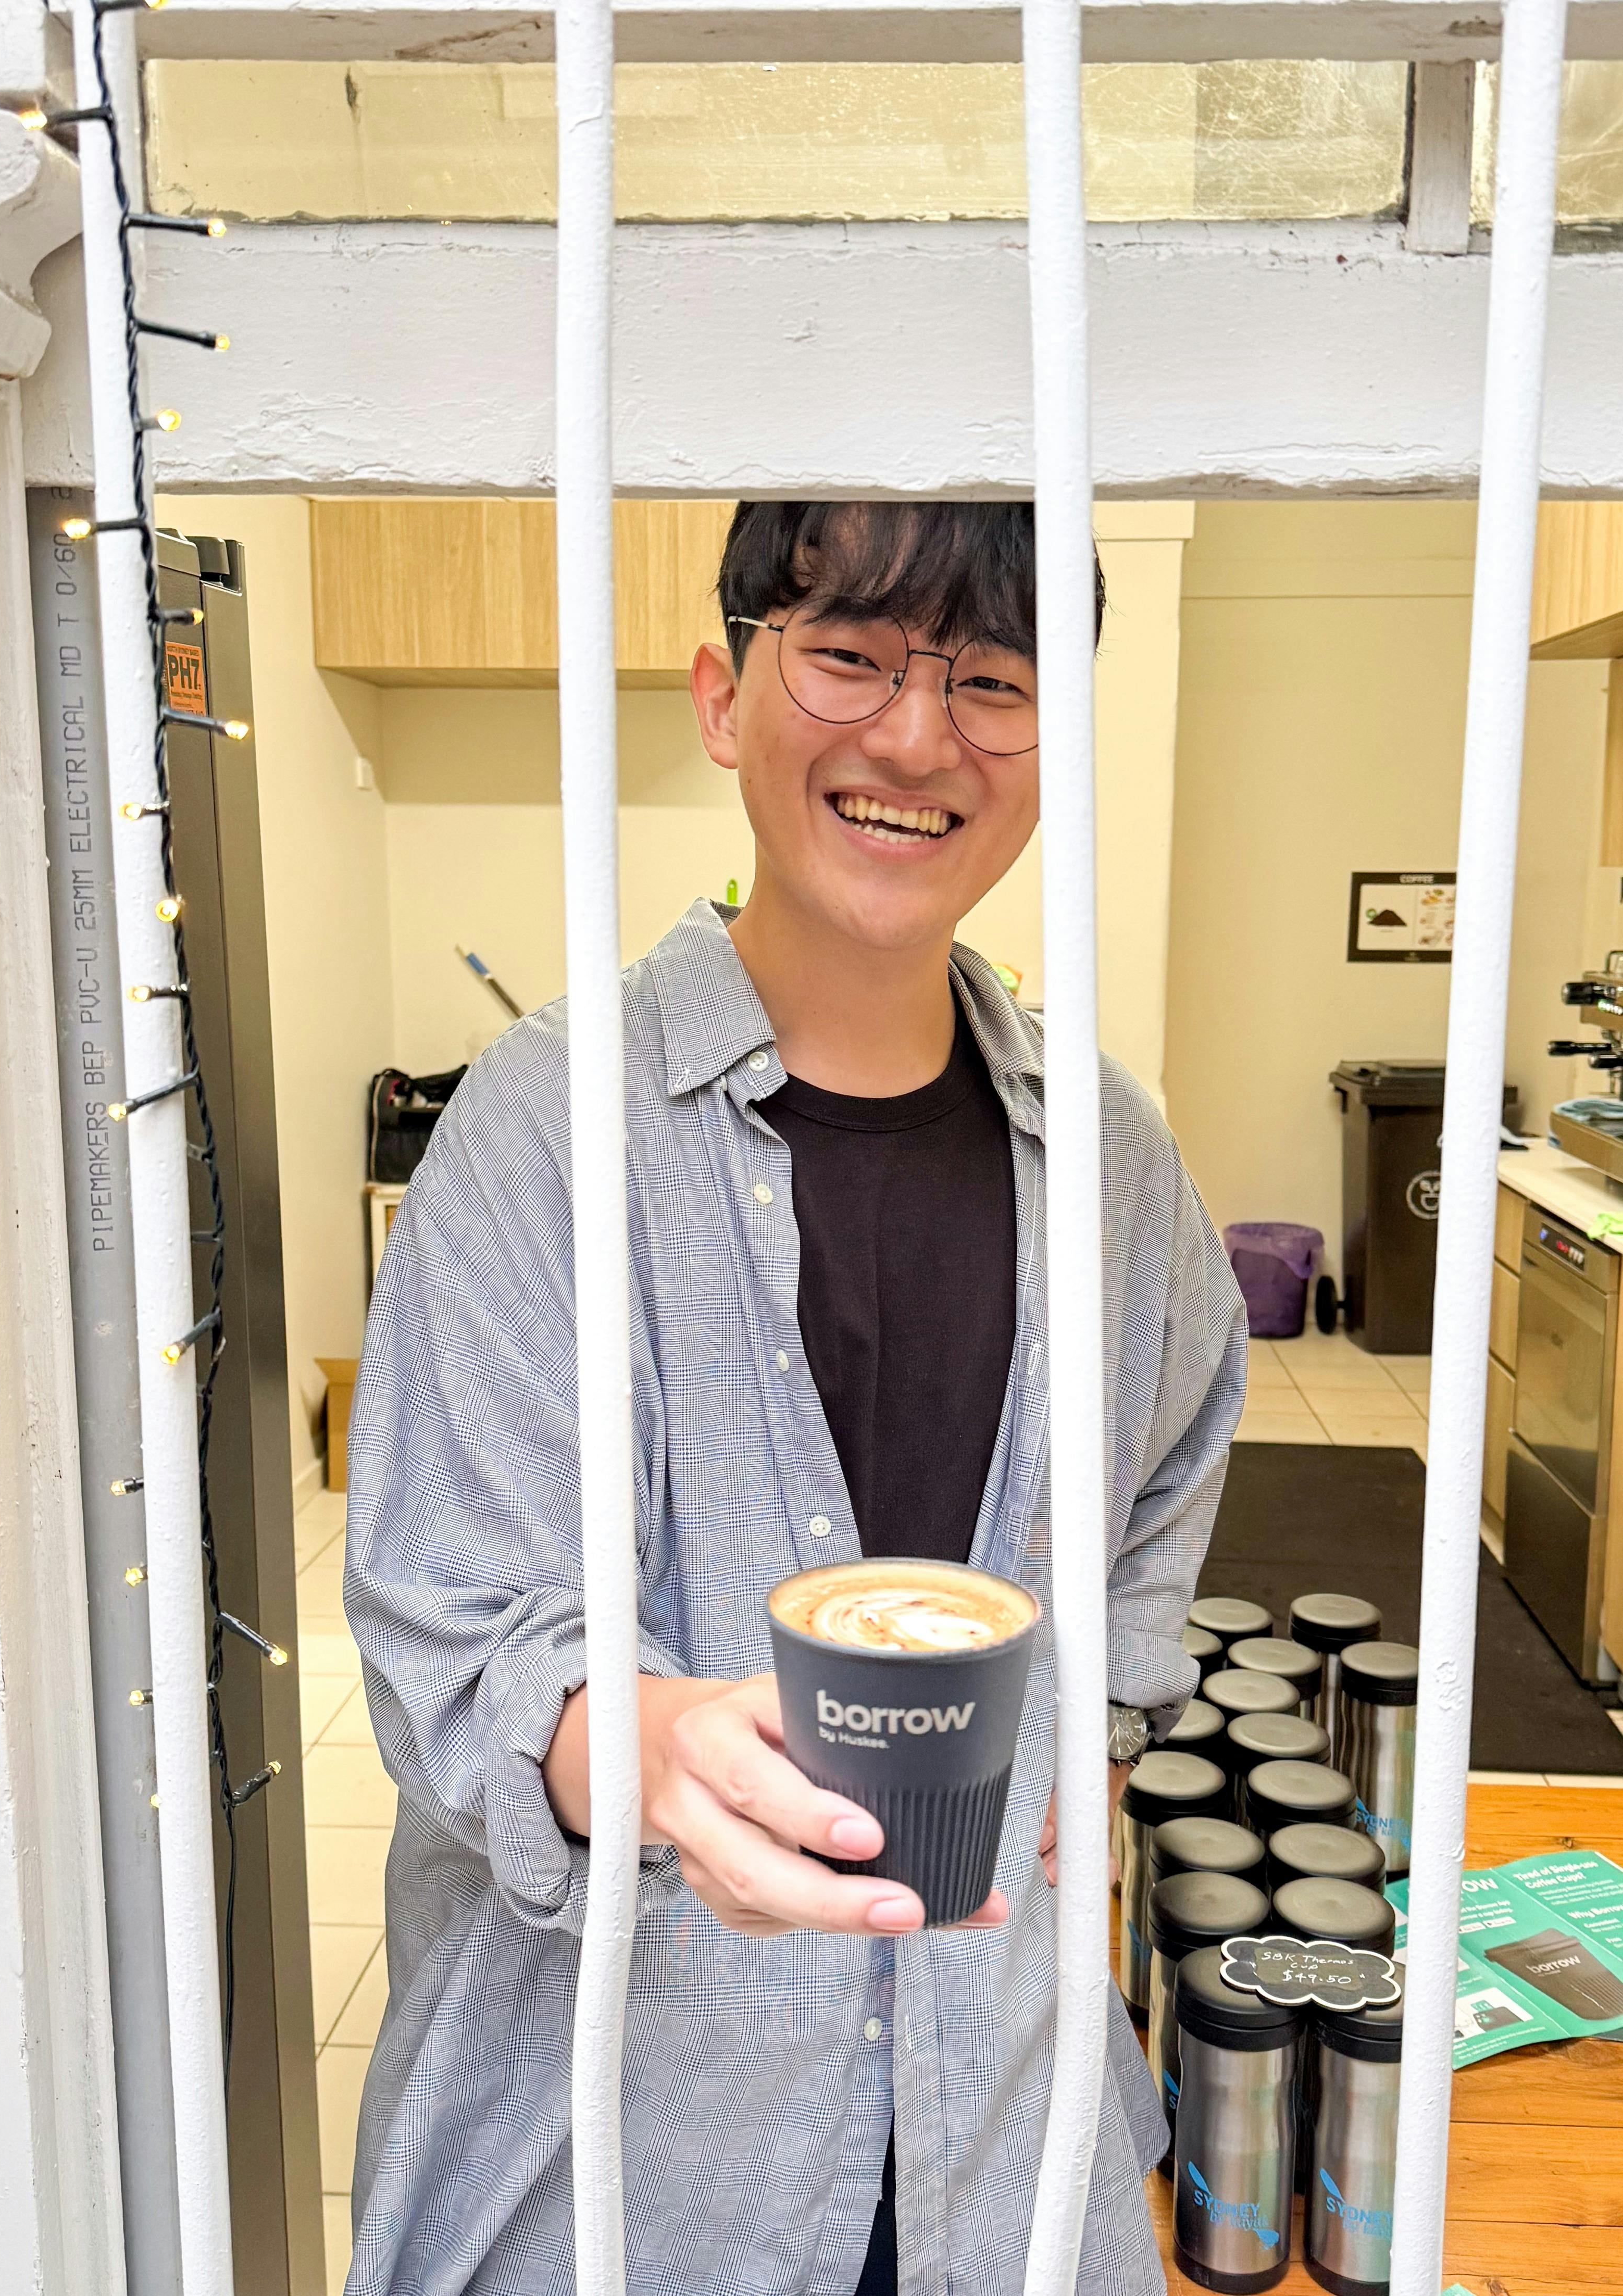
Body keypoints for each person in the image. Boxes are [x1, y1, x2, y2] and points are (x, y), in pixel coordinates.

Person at [343, 501, 1246, 2296]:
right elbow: (455, 1628)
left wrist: (1094, 1733)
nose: (916, 738)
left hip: (998, 2111)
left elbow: (1164, 1487)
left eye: (993, 683)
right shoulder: (549, 1126)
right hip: (638, 2143)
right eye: (848, 657)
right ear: (721, 694)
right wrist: (657, 1754)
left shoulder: (1111, 1159)